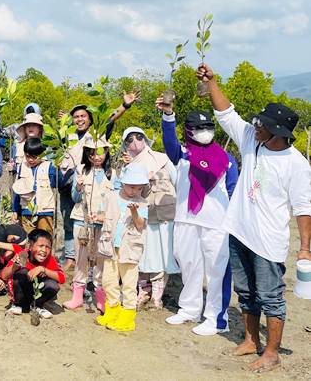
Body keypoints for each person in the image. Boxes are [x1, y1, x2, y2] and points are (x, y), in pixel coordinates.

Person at [199, 63, 311, 372]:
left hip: (268, 240)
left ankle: (272, 353)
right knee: (245, 292)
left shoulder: (296, 164)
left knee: (271, 296)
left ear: (278, 132)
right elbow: (226, 113)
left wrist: (305, 248)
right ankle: (252, 340)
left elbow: (303, 207)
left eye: (262, 124)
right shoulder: (251, 139)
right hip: (239, 230)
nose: (255, 126)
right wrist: (212, 83)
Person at [157, 97, 239, 336]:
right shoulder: (182, 154)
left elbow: (233, 190)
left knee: (217, 269)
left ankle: (216, 318)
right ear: (189, 131)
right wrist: (168, 115)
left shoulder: (227, 159)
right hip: (186, 219)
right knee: (189, 264)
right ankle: (189, 308)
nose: (205, 132)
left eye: (208, 127)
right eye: (199, 128)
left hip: (216, 223)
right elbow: (169, 141)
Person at [58, 91, 139, 271]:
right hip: (68, 183)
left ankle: (92, 258)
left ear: (90, 119)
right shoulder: (67, 134)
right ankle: (71, 256)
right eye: (76, 117)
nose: (79, 120)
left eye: (83, 116)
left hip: (91, 182)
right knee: (69, 220)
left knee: (92, 220)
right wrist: (62, 124)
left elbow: (110, 118)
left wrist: (124, 105)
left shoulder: (96, 133)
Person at [120, 126, 179, 309]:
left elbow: (177, 181)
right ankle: (143, 292)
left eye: (138, 137)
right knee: (144, 254)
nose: (135, 141)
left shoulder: (162, 158)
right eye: (129, 139)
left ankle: (157, 296)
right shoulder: (125, 163)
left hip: (166, 213)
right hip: (143, 216)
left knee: (163, 255)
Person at [96, 164, 149, 332]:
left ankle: (127, 318)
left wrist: (134, 212)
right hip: (111, 246)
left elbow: (141, 225)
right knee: (108, 281)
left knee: (129, 282)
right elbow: (106, 215)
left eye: (139, 188)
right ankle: (112, 311)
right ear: (124, 183)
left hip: (130, 248)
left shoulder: (142, 203)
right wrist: (97, 217)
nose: (135, 191)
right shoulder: (112, 196)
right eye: (132, 186)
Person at [64, 135, 114, 313]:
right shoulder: (81, 170)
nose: (96, 157)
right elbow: (75, 198)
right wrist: (77, 186)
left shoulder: (113, 173)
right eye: (92, 154)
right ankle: (77, 296)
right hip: (82, 221)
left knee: (101, 261)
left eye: (100, 153)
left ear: (106, 152)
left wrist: (104, 217)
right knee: (81, 260)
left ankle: (101, 297)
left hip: (103, 224)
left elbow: (115, 201)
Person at [0, 229, 65, 325]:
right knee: (22, 272)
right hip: (21, 294)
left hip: (36, 295)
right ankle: (17, 305)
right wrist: (15, 266)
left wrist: (43, 269)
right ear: (29, 246)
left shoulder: (50, 259)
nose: (44, 250)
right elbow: (4, 275)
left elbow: (62, 279)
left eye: (48, 247)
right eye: (40, 246)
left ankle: (38, 306)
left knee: (53, 285)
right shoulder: (22, 255)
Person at [11, 138, 60, 234]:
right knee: (29, 240)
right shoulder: (22, 167)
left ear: (42, 154)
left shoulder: (49, 166)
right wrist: (15, 210)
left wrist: (57, 170)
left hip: (45, 211)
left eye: (34, 157)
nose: (30, 160)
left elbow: (56, 184)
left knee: (44, 239)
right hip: (27, 210)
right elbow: (18, 189)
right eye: (27, 156)